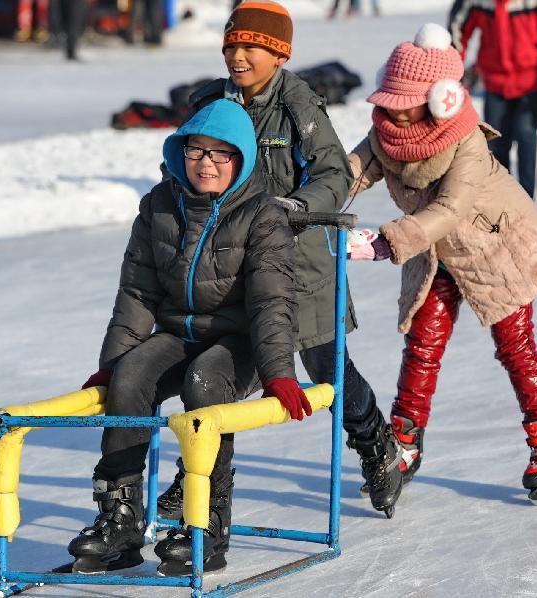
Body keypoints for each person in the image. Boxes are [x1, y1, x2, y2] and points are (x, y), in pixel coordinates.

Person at [154, 0, 404, 519]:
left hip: (300, 268)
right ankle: (195, 476)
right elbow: (181, 161)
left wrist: (295, 207)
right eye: (231, 45)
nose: (238, 55)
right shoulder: (210, 101)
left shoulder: (298, 105)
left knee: (325, 368)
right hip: (228, 268)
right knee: (216, 369)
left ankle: (376, 442)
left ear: (279, 54)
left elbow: (335, 175)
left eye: (251, 47)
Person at [67, 99, 311, 574]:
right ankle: (120, 517)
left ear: (240, 160)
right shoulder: (160, 204)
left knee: (205, 380)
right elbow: (137, 293)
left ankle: (207, 519)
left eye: (220, 154)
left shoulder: (262, 215)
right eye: (197, 150)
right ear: (180, 153)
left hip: (240, 344)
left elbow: (271, 303)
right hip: (180, 332)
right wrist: (113, 364)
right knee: (132, 373)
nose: (206, 163)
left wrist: (279, 372)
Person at [345, 24, 537, 504]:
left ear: (440, 99)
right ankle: (405, 441)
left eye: (401, 99)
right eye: (386, 97)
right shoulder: (387, 131)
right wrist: (309, 202)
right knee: (423, 343)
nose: (389, 107)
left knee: (516, 346)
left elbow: (450, 208)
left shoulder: (465, 139)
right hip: (436, 254)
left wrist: (388, 242)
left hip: (495, 247)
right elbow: (351, 171)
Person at [448, 0, 537, 209]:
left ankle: (531, 215)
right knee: (495, 149)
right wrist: (453, 72)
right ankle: (501, 214)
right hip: (495, 85)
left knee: (529, 140)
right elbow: (457, 32)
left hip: (534, 86)